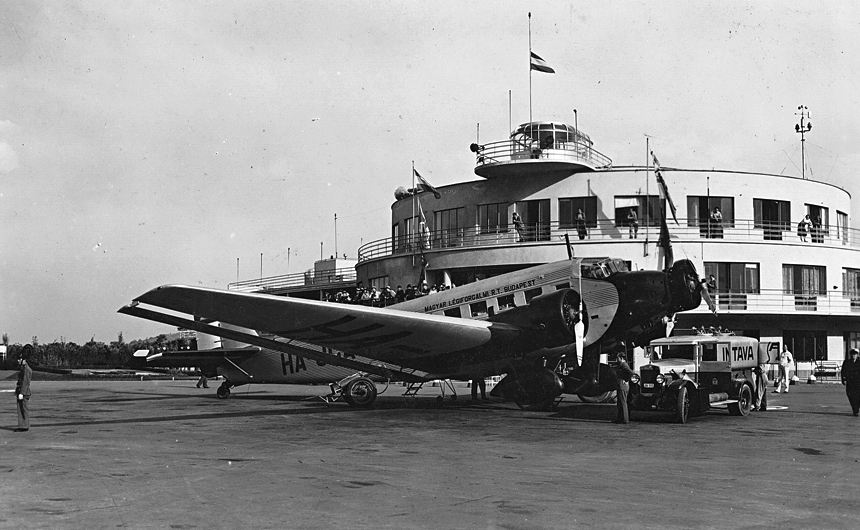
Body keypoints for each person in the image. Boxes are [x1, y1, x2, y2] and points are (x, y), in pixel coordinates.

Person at [612, 351, 635, 424]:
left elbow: (631, 373)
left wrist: (626, 380)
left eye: (617, 358)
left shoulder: (624, 365)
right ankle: (620, 419)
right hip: (621, 386)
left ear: (621, 358)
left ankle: (624, 419)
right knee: (620, 403)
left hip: (622, 386)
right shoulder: (622, 365)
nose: (617, 360)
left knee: (623, 402)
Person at [15, 345, 33, 432]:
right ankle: (22, 425)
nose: (18, 361)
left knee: (23, 409)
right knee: (21, 408)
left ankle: (24, 426)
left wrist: (22, 393)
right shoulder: (23, 369)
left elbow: (25, 382)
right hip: (22, 391)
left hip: (24, 392)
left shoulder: (26, 369)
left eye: (19, 359)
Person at [841, 348, 860, 416]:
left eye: (854, 354)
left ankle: (856, 410)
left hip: (858, 383)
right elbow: (843, 372)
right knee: (851, 396)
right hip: (850, 383)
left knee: (858, 397)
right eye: (852, 354)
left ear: (857, 355)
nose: (853, 356)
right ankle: (855, 409)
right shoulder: (846, 362)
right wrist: (844, 379)